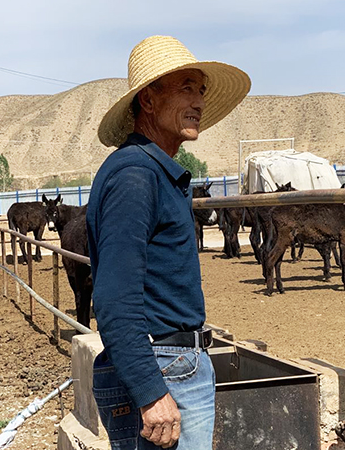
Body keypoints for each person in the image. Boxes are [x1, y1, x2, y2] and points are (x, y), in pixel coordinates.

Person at [86, 35, 250, 449]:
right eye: (186, 88)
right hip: (165, 369)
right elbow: (113, 297)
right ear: (148, 101)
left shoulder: (145, 171)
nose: (198, 102)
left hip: (165, 363)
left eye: (201, 90)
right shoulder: (136, 176)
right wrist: (151, 391)